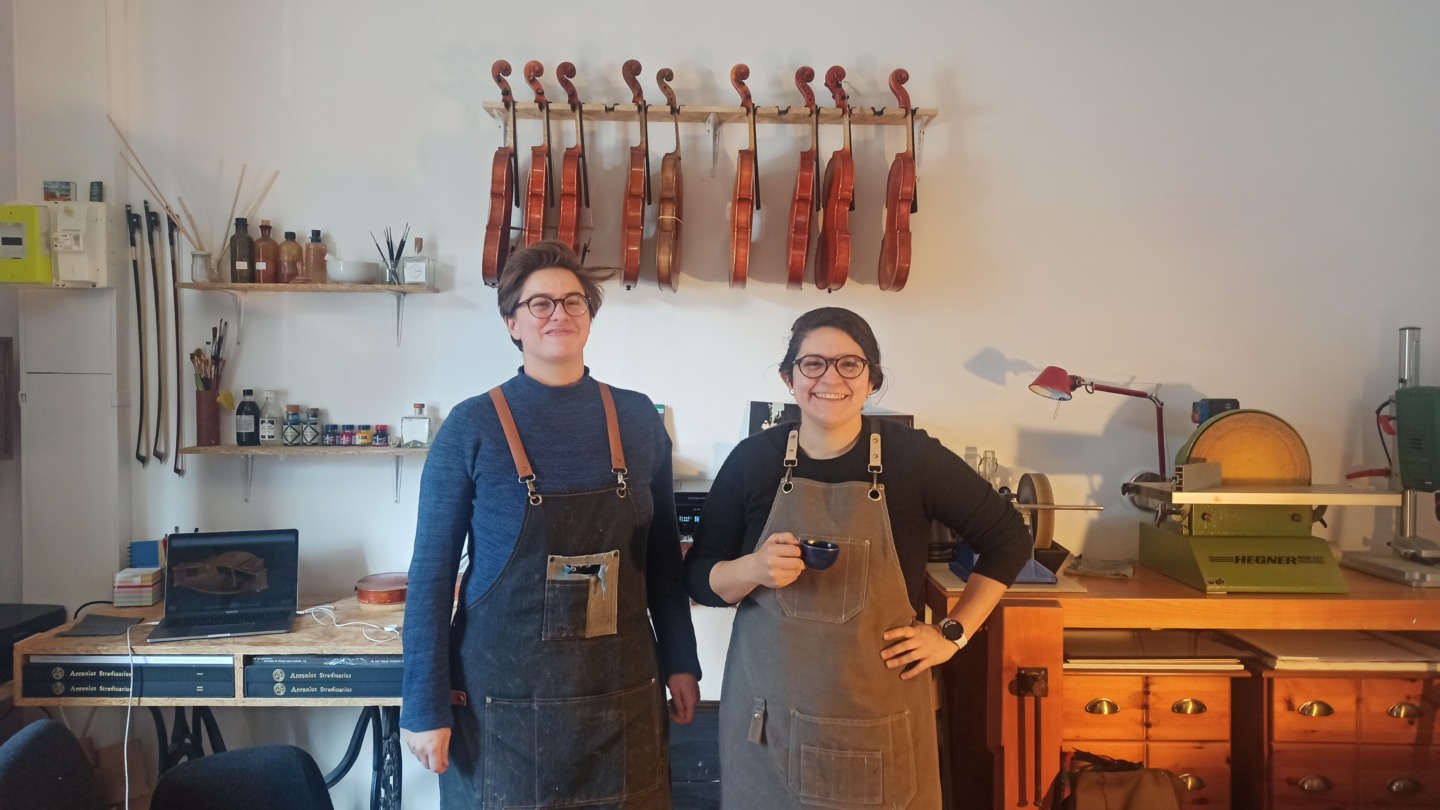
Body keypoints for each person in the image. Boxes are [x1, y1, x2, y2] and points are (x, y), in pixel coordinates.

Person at [683, 306, 1032, 809]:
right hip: (767, 723)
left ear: (871, 380)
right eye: (813, 364)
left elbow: (1007, 537)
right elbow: (698, 578)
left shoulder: (912, 457)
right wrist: (751, 569)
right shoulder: (752, 460)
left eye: (850, 364)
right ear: (789, 377)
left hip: (876, 720)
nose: (831, 378)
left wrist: (953, 634)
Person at [402, 241, 701, 809]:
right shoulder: (471, 427)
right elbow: (431, 579)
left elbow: (662, 559)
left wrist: (682, 660)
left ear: (590, 316)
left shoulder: (639, 418)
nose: (559, 314)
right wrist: (423, 706)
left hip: (621, 698)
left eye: (573, 301)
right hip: (503, 708)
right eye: (539, 304)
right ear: (512, 322)